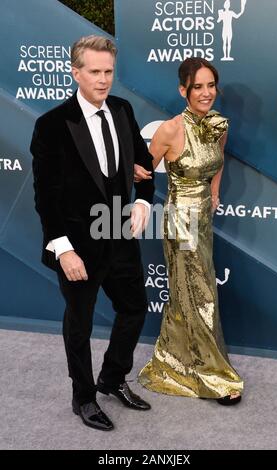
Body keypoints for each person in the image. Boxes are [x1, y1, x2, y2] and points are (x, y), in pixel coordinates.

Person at [31, 35, 154, 431]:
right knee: (79, 324)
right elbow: (45, 197)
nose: (103, 80)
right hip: (77, 245)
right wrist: (63, 249)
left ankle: (112, 377)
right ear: (76, 72)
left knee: (134, 308)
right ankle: (83, 397)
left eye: (109, 72)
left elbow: (144, 161)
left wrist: (143, 201)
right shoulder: (52, 125)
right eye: (95, 72)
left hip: (119, 232)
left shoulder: (121, 108)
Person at [136, 58, 243, 405]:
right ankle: (213, 376)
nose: (206, 92)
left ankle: (179, 361)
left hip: (203, 220)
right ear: (183, 90)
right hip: (180, 220)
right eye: (198, 86)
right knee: (201, 295)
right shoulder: (169, 130)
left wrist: (213, 193)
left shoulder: (219, 126)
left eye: (211, 85)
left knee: (192, 293)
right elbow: (142, 172)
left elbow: (219, 160)